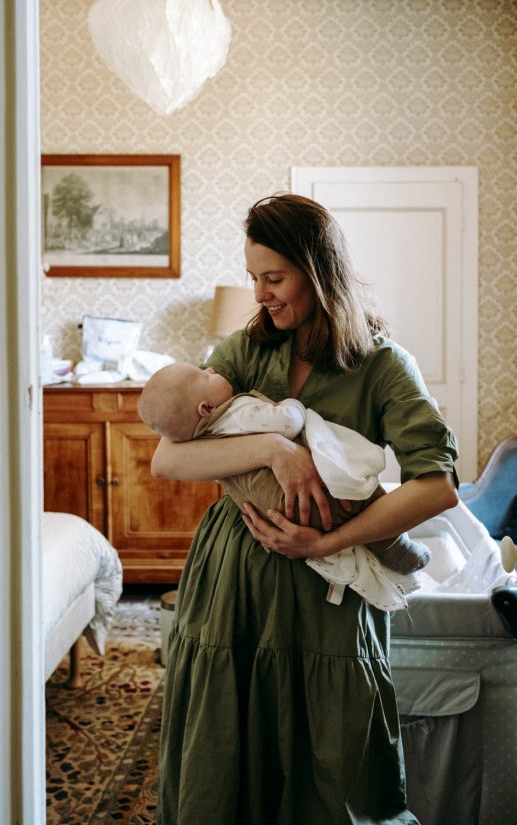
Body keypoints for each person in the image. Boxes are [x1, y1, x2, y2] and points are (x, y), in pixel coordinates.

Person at [151, 193, 459, 825]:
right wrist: (272, 450)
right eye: (254, 277)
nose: (260, 294)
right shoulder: (245, 352)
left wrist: (321, 545)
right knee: (228, 747)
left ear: (318, 272)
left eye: (274, 278)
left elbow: (437, 486)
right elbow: (169, 461)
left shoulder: (382, 366)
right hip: (232, 581)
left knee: (332, 756)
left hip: (326, 601)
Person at [137, 361, 431, 581]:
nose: (213, 368)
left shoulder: (199, 434)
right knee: (361, 498)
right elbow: (286, 421)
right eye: (208, 375)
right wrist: (292, 411)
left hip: (270, 513)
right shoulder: (239, 411)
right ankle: (398, 549)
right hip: (304, 496)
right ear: (205, 407)